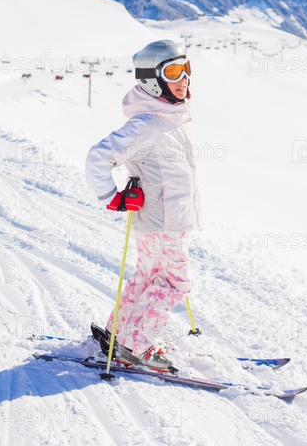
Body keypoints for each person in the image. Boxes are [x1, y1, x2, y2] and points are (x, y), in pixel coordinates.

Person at [85, 39, 200, 371]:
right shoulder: (148, 124)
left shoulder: (166, 118)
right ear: (152, 79)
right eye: (173, 72)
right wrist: (112, 196)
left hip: (160, 219)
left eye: (185, 69)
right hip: (165, 222)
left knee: (150, 275)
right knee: (175, 282)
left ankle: (119, 333)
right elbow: (98, 157)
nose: (183, 79)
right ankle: (137, 346)